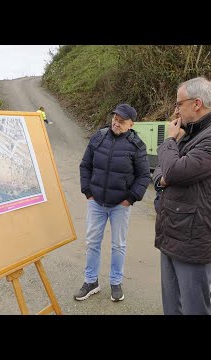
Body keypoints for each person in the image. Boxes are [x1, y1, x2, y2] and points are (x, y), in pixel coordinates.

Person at [152, 77, 211, 315]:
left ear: (197, 103)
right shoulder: (190, 132)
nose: (176, 110)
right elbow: (163, 171)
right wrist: (164, 177)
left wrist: (169, 141)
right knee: (172, 305)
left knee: (193, 308)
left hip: (193, 236)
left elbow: (173, 170)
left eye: (179, 104)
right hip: (172, 229)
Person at [75, 103, 151, 302]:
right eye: (115, 119)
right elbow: (85, 165)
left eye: (121, 121)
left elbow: (144, 176)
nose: (116, 123)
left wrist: (130, 199)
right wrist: (87, 191)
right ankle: (91, 281)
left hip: (120, 205)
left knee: (118, 245)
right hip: (96, 202)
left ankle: (116, 282)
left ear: (131, 124)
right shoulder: (98, 138)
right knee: (92, 243)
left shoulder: (137, 145)